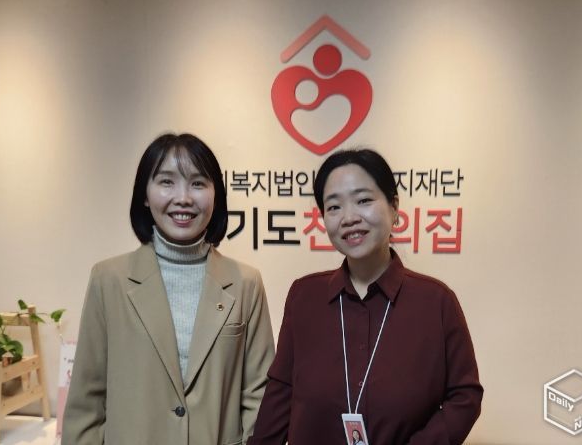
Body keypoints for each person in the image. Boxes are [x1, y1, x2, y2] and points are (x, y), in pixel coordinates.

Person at [248, 149, 483, 444]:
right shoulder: (304, 296)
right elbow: (281, 391)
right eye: (334, 207)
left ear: (394, 207)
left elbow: (465, 396)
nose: (349, 218)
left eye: (363, 200)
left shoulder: (436, 302)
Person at [63, 133, 275, 445]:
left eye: (198, 183)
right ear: (145, 195)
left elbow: (259, 395)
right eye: (167, 182)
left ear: (216, 195)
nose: (183, 198)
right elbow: (87, 400)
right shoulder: (108, 279)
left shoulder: (246, 283)